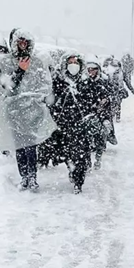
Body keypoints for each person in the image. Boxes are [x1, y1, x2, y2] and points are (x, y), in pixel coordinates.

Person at [0, 29, 56, 192]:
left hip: (33, 111)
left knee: (31, 145)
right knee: (19, 146)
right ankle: (24, 177)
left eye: (26, 42)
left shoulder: (37, 62)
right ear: (14, 43)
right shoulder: (6, 63)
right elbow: (6, 88)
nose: (23, 45)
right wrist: (20, 70)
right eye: (20, 42)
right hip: (14, 111)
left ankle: (32, 177)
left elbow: (44, 85)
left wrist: (38, 99)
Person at [51, 51, 90, 194]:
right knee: (67, 153)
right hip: (63, 125)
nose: (73, 65)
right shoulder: (58, 81)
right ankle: (71, 169)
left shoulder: (85, 82)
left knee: (80, 155)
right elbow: (52, 101)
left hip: (80, 125)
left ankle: (78, 181)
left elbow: (90, 102)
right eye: (70, 63)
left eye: (76, 63)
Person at [80, 57, 113, 169]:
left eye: (93, 69)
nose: (91, 71)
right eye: (89, 69)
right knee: (85, 141)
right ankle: (88, 162)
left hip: (100, 115)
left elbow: (108, 97)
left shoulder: (102, 82)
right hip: (87, 115)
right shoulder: (83, 83)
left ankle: (98, 159)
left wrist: (104, 103)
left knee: (100, 139)